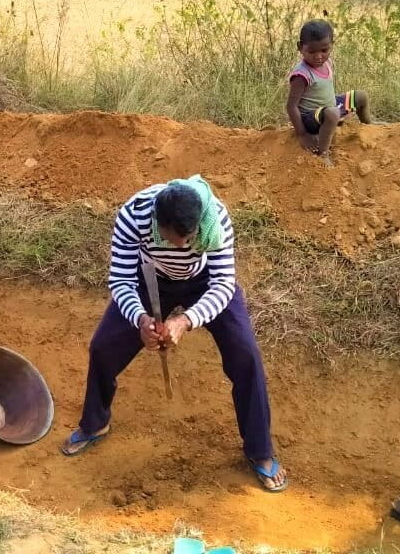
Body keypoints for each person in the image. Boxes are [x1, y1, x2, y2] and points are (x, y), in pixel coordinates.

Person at [60, 176, 289, 493]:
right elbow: (122, 281)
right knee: (102, 347)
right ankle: (95, 423)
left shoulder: (216, 217)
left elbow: (223, 284)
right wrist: (140, 319)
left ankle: (259, 451)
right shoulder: (133, 215)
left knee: (246, 355)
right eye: (170, 238)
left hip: (205, 282)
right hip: (150, 278)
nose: (181, 245)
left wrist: (186, 320)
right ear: (156, 222)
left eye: (188, 237)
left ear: (199, 224)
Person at [285, 20, 372, 157]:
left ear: (332, 45)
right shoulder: (301, 75)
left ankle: (369, 125)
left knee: (361, 96)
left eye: (324, 50)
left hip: (330, 106)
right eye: (311, 51)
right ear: (300, 47)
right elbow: (291, 106)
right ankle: (323, 152)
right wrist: (302, 134)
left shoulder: (327, 62)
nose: (318, 56)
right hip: (310, 117)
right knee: (332, 113)